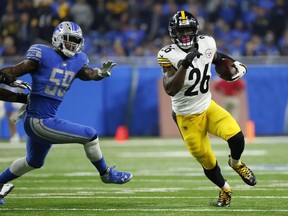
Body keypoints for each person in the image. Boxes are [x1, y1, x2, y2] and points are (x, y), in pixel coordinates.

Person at [0, 21, 133, 205]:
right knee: (90, 135)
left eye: (75, 41)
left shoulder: (78, 60)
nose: (71, 45)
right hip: (39, 120)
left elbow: (87, 74)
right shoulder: (42, 53)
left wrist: (99, 73)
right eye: (68, 40)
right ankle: (105, 173)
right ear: (57, 38)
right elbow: (14, 71)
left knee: (34, 162)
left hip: (44, 119)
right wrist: (5, 76)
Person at [157, 11, 256, 207]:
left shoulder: (206, 43)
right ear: (173, 33)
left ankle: (236, 163)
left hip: (207, 106)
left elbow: (218, 58)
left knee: (237, 137)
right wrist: (185, 64)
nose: (185, 35)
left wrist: (234, 64)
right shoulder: (168, 55)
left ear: (195, 31)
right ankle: (225, 189)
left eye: (188, 30)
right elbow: (170, 88)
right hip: (186, 117)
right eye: (181, 30)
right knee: (208, 161)